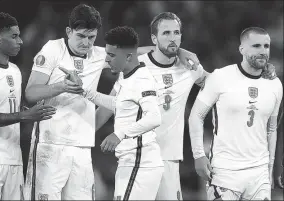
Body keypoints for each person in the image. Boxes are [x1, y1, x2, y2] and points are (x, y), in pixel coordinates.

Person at [23, 4, 199, 200]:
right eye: (81, 36)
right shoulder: (53, 49)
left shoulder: (99, 55)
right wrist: (61, 86)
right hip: (50, 144)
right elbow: (30, 93)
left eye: (91, 37)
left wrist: (180, 52)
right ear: (68, 31)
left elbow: (142, 51)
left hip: (82, 147)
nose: (86, 43)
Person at [94, 12, 278, 200]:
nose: (173, 38)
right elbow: (111, 105)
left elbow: (223, 84)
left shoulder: (190, 67)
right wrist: (84, 136)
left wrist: (259, 72)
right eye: (166, 33)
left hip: (170, 159)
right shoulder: (136, 64)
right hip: (136, 157)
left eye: (176, 33)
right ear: (153, 38)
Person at [0, 12, 56, 200]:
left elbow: (14, 109)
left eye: (19, 35)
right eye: (14, 36)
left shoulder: (15, 71)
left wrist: (36, 111)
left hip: (14, 160)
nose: (20, 41)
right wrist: (26, 116)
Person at [189, 27, 283, 200]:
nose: (263, 51)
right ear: (242, 49)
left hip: (259, 174)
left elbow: (272, 129)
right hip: (224, 173)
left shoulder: (275, 84)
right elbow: (196, 116)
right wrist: (199, 155)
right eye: (256, 46)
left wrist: (271, 169)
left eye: (266, 46)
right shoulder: (220, 77)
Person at [80, 26, 164, 200]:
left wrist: (118, 134)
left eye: (111, 55)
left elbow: (154, 117)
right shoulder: (125, 76)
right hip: (130, 161)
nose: (107, 60)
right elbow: (118, 104)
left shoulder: (142, 80)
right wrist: (82, 90)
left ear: (128, 57)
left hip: (141, 162)